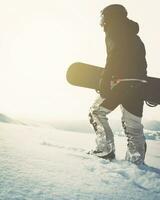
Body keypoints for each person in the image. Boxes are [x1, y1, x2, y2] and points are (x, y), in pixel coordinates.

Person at [88, 4, 147, 165]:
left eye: (103, 17)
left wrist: (105, 79)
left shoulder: (114, 29)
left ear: (110, 17)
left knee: (96, 112)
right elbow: (142, 62)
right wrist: (142, 83)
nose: (102, 22)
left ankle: (105, 150)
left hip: (120, 83)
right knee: (133, 125)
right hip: (138, 84)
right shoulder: (135, 36)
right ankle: (136, 160)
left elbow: (114, 56)